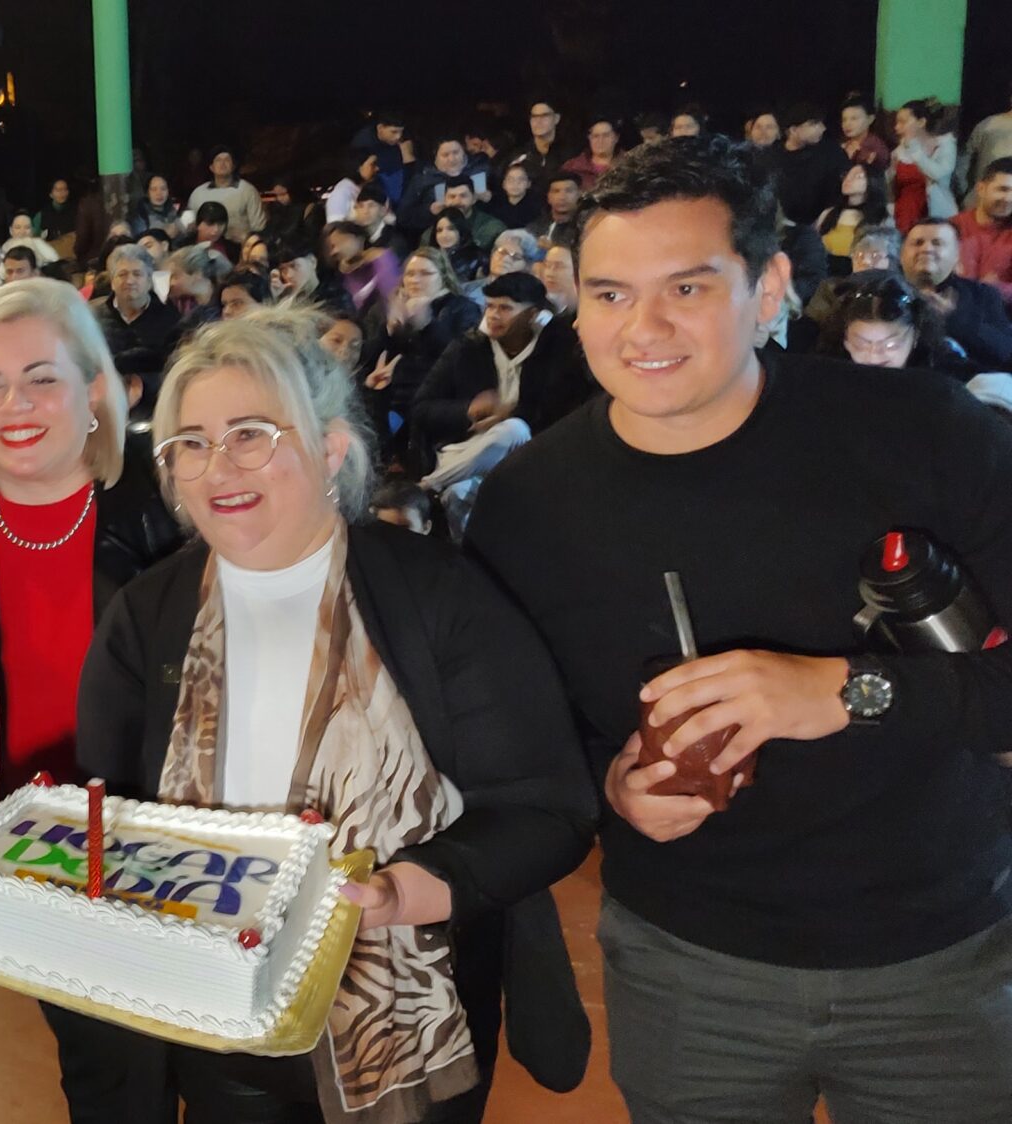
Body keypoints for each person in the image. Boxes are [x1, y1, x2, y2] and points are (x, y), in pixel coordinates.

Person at [466, 133, 1012, 1122]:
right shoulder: (524, 507)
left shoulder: (930, 436)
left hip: (940, 961)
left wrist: (843, 691)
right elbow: (515, 739)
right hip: (687, 967)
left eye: (686, 287)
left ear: (766, 290)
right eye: (608, 292)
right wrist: (608, 782)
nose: (642, 327)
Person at [77, 306, 594, 1122]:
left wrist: (413, 889)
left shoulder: (438, 595)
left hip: (407, 1019)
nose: (219, 467)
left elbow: (545, 807)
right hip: (220, 1020)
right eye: (191, 443)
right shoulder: (147, 615)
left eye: (251, 433)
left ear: (331, 449)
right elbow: (102, 818)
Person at [0, 279, 181, 1121]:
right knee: (105, 1079)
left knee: (218, 1073)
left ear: (94, 389)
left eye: (41, 378)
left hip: (172, 840)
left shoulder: (168, 507)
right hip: (36, 862)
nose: (13, 404)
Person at [412, 273, 592, 516]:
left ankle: (427, 485)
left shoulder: (555, 351)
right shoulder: (467, 348)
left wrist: (508, 415)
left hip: (524, 452)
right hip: (466, 450)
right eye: (490, 306)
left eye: (505, 308)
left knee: (513, 429)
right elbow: (422, 408)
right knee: (457, 494)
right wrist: (467, 410)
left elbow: (556, 410)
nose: (494, 315)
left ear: (532, 314)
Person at [359, 247, 481, 443]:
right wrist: (388, 330)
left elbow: (462, 358)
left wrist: (427, 325)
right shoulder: (389, 308)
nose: (415, 280)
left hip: (433, 399)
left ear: (443, 276)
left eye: (425, 274)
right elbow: (366, 358)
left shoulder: (463, 308)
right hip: (387, 396)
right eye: (410, 274)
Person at [903, 217, 1012, 370]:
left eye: (937, 243)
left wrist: (953, 319)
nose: (926, 249)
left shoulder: (982, 295)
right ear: (902, 254)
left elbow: (1005, 353)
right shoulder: (887, 292)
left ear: (956, 255)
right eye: (918, 243)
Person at [816, 270, 968, 372]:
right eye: (860, 344)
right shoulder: (828, 374)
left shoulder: (941, 372)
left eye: (891, 345)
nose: (874, 356)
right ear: (845, 339)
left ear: (915, 336)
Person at [94, 243, 182, 379]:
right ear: (112, 282)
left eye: (137, 274)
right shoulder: (93, 319)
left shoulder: (170, 319)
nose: (129, 281)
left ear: (149, 280)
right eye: (122, 274)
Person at [891, 99, 959, 231]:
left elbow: (938, 174)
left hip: (935, 212)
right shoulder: (898, 152)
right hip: (904, 213)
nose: (897, 127)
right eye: (896, 122)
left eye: (903, 122)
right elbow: (892, 186)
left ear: (921, 122)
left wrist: (915, 149)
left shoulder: (944, 146)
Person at [951, 158, 1012, 303]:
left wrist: (997, 288)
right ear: (981, 189)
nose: (1009, 198)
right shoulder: (952, 228)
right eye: (1002, 189)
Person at [186, 147, 267, 242]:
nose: (222, 163)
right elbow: (189, 225)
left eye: (227, 160)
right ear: (211, 167)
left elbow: (259, 227)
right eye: (218, 160)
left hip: (239, 246)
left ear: (233, 166)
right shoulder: (198, 193)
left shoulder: (247, 190)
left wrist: (246, 237)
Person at [816, 162, 892, 263]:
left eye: (859, 176)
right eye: (847, 175)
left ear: (872, 181)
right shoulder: (829, 214)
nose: (848, 179)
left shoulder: (881, 218)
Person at [328, 220, 401, 313]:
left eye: (338, 244)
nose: (334, 252)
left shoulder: (383, 259)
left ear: (358, 239)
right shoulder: (341, 276)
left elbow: (390, 297)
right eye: (331, 248)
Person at [562, 115, 623, 190]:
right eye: (595, 136)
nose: (600, 141)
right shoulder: (572, 167)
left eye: (606, 135)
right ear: (589, 138)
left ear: (616, 138)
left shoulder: (630, 165)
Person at [838, 93, 891, 169]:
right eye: (844, 120)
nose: (847, 124)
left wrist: (860, 153)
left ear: (870, 119)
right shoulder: (843, 144)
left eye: (854, 118)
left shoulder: (877, 147)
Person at [127, 174, 184, 243]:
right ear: (147, 193)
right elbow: (139, 242)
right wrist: (165, 235)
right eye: (154, 189)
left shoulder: (172, 210)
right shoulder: (141, 215)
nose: (159, 193)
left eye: (163, 189)